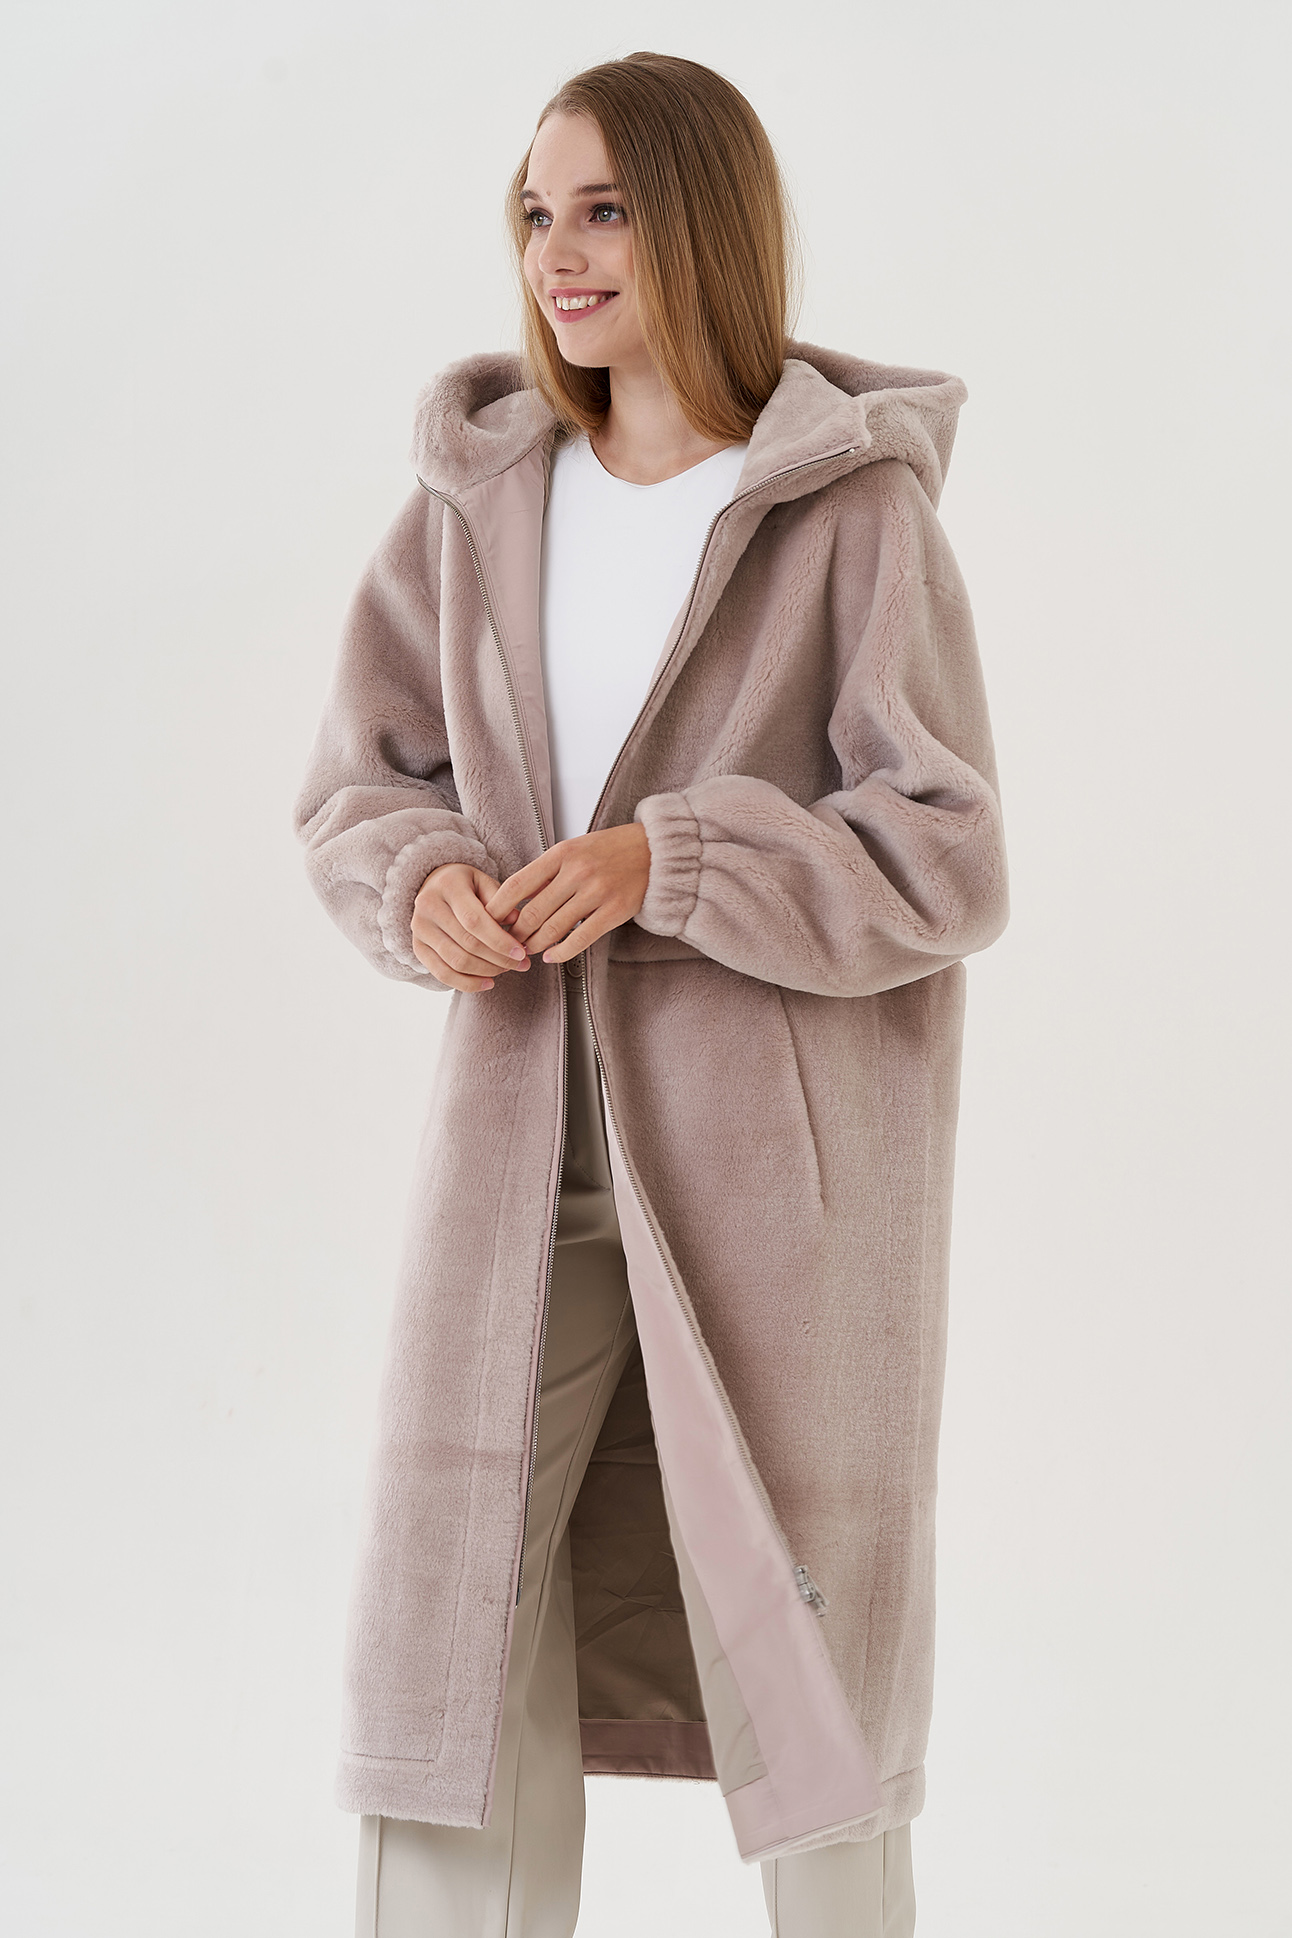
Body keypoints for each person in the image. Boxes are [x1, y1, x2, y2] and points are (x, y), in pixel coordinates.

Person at [293, 50, 1009, 1938]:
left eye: (604, 208)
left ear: (702, 220)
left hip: (774, 1189)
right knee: (458, 1630)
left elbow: (946, 854)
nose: (559, 253)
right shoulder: (478, 501)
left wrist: (669, 863)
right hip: (520, 1159)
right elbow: (359, 787)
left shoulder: (848, 514)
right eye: (536, 212)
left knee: (812, 1669)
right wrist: (425, 882)